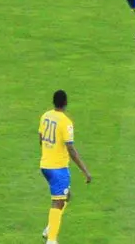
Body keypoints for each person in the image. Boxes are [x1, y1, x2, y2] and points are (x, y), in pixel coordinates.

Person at [37, 89, 91, 243]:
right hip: (58, 168)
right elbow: (71, 149)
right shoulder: (66, 122)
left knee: (66, 196)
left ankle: (50, 227)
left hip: (45, 165)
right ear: (66, 103)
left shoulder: (45, 116)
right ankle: (51, 240)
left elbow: (41, 138)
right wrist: (85, 171)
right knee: (58, 201)